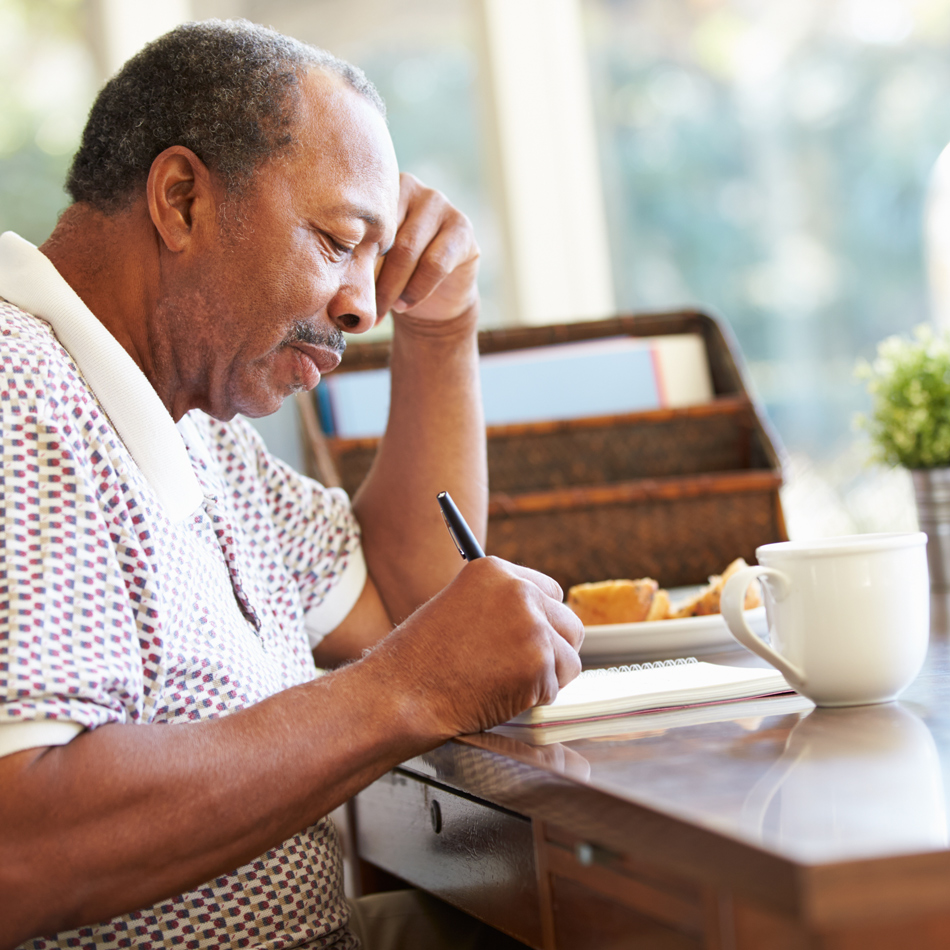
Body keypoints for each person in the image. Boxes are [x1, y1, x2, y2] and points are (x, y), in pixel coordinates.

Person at [0, 19, 584, 950]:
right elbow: (17, 848)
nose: (363, 305)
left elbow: (405, 601)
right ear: (182, 199)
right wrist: (408, 691)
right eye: (336, 241)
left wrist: (440, 322)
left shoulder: (196, 425)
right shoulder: (20, 393)